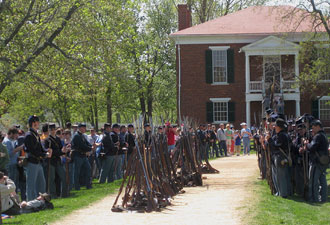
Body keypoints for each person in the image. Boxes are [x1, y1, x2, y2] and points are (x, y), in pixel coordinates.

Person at [24, 115, 52, 201]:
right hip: (32, 162)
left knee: (41, 183)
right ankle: (30, 203)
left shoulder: (35, 134)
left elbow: (40, 148)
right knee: (31, 185)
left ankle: (41, 201)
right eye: (37, 122)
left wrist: (46, 151)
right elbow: (32, 150)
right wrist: (45, 155)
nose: (38, 123)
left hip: (38, 162)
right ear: (33, 123)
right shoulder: (29, 135)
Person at [301, 120, 329, 202]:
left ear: (318, 127)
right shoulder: (324, 135)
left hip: (316, 161)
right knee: (322, 181)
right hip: (323, 161)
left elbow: (312, 147)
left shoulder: (318, 136)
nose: (312, 130)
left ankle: (314, 198)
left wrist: (307, 144)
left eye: (313, 128)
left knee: (313, 181)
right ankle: (323, 198)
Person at [266, 118, 292, 198]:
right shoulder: (281, 134)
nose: (274, 127)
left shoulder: (282, 135)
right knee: (277, 175)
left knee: (281, 176)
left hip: (280, 156)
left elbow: (276, 146)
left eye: (276, 126)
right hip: (278, 156)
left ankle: (283, 193)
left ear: (279, 127)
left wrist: (269, 139)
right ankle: (280, 192)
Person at [44, 123, 69, 198]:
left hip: (58, 160)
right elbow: (49, 151)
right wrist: (61, 152)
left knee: (64, 176)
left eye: (53, 129)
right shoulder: (47, 140)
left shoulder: (58, 139)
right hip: (51, 161)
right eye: (51, 130)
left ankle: (64, 194)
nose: (52, 131)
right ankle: (53, 195)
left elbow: (61, 149)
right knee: (51, 179)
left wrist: (65, 150)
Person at [71, 123, 94, 190]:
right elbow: (82, 146)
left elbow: (87, 143)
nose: (85, 129)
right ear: (80, 128)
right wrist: (90, 148)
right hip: (78, 155)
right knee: (77, 172)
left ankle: (88, 185)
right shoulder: (77, 136)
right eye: (83, 127)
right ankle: (77, 186)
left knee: (88, 169)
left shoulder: (82, 135)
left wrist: (91, 146)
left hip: (83, 155)